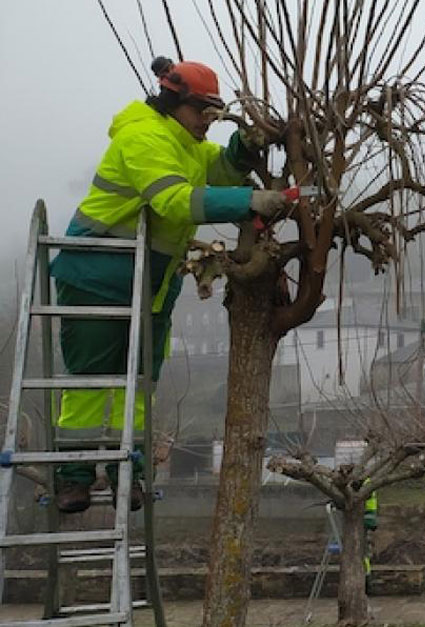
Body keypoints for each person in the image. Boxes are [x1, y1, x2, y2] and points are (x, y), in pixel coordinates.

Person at [49, 56, 291, 513]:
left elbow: (216, 170)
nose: (208, 121)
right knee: (89, 383)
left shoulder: (185, 144)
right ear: (173, 101)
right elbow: (175, 200)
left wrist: (242, 148)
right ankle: (75, 477)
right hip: (98, 274)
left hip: (151, 283)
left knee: (140, 385)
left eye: (213, 113)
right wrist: (250, 200)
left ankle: (130, 472)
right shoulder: (143, 138)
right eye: (203, 111)